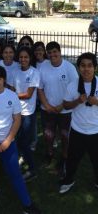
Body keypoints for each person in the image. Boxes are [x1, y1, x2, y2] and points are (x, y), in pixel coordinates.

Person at [0, 66, 41, 214]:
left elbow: (17, 120)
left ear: (4, 80)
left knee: (15, 173)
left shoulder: (12, 96)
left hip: (8, 141)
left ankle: (27, 204)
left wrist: (8, 140)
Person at [60, 52, 98, 194]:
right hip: (77, 130)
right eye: (82, 66)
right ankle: (68, 180)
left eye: (89, 66)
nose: (86, 69)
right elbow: (65, 105)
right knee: (72, 159)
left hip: (96, 130)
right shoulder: (72, 85)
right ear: (78, 67)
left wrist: (96, 102)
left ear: (95, 67)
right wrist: (77, 101)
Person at [37, 41, 78, 169]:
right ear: (47, 54)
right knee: (48, 135)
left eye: (55, 52)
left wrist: (62, 106)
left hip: (65, 110)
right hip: (47, 109)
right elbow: (40, 89)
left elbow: (76, 88)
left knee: (65, 136)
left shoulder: (69, 67)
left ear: (60, 52)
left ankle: (65, 157)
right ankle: (49, 154)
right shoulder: (43, 67)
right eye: (49, 53)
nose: (52, 55)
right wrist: (46, 105)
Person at [12, 47, 40, 182]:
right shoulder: (15, 72)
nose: (23, 59)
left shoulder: (35, 72)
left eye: (26, 57)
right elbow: (11, 88)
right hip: (16, 112)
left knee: (24, 142)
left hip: (28, 113)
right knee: (17, 140)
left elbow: (28, 95)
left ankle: (32, 170)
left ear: (30, 58)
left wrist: (12, 96)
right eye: (21, 57)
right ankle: (23, 159)